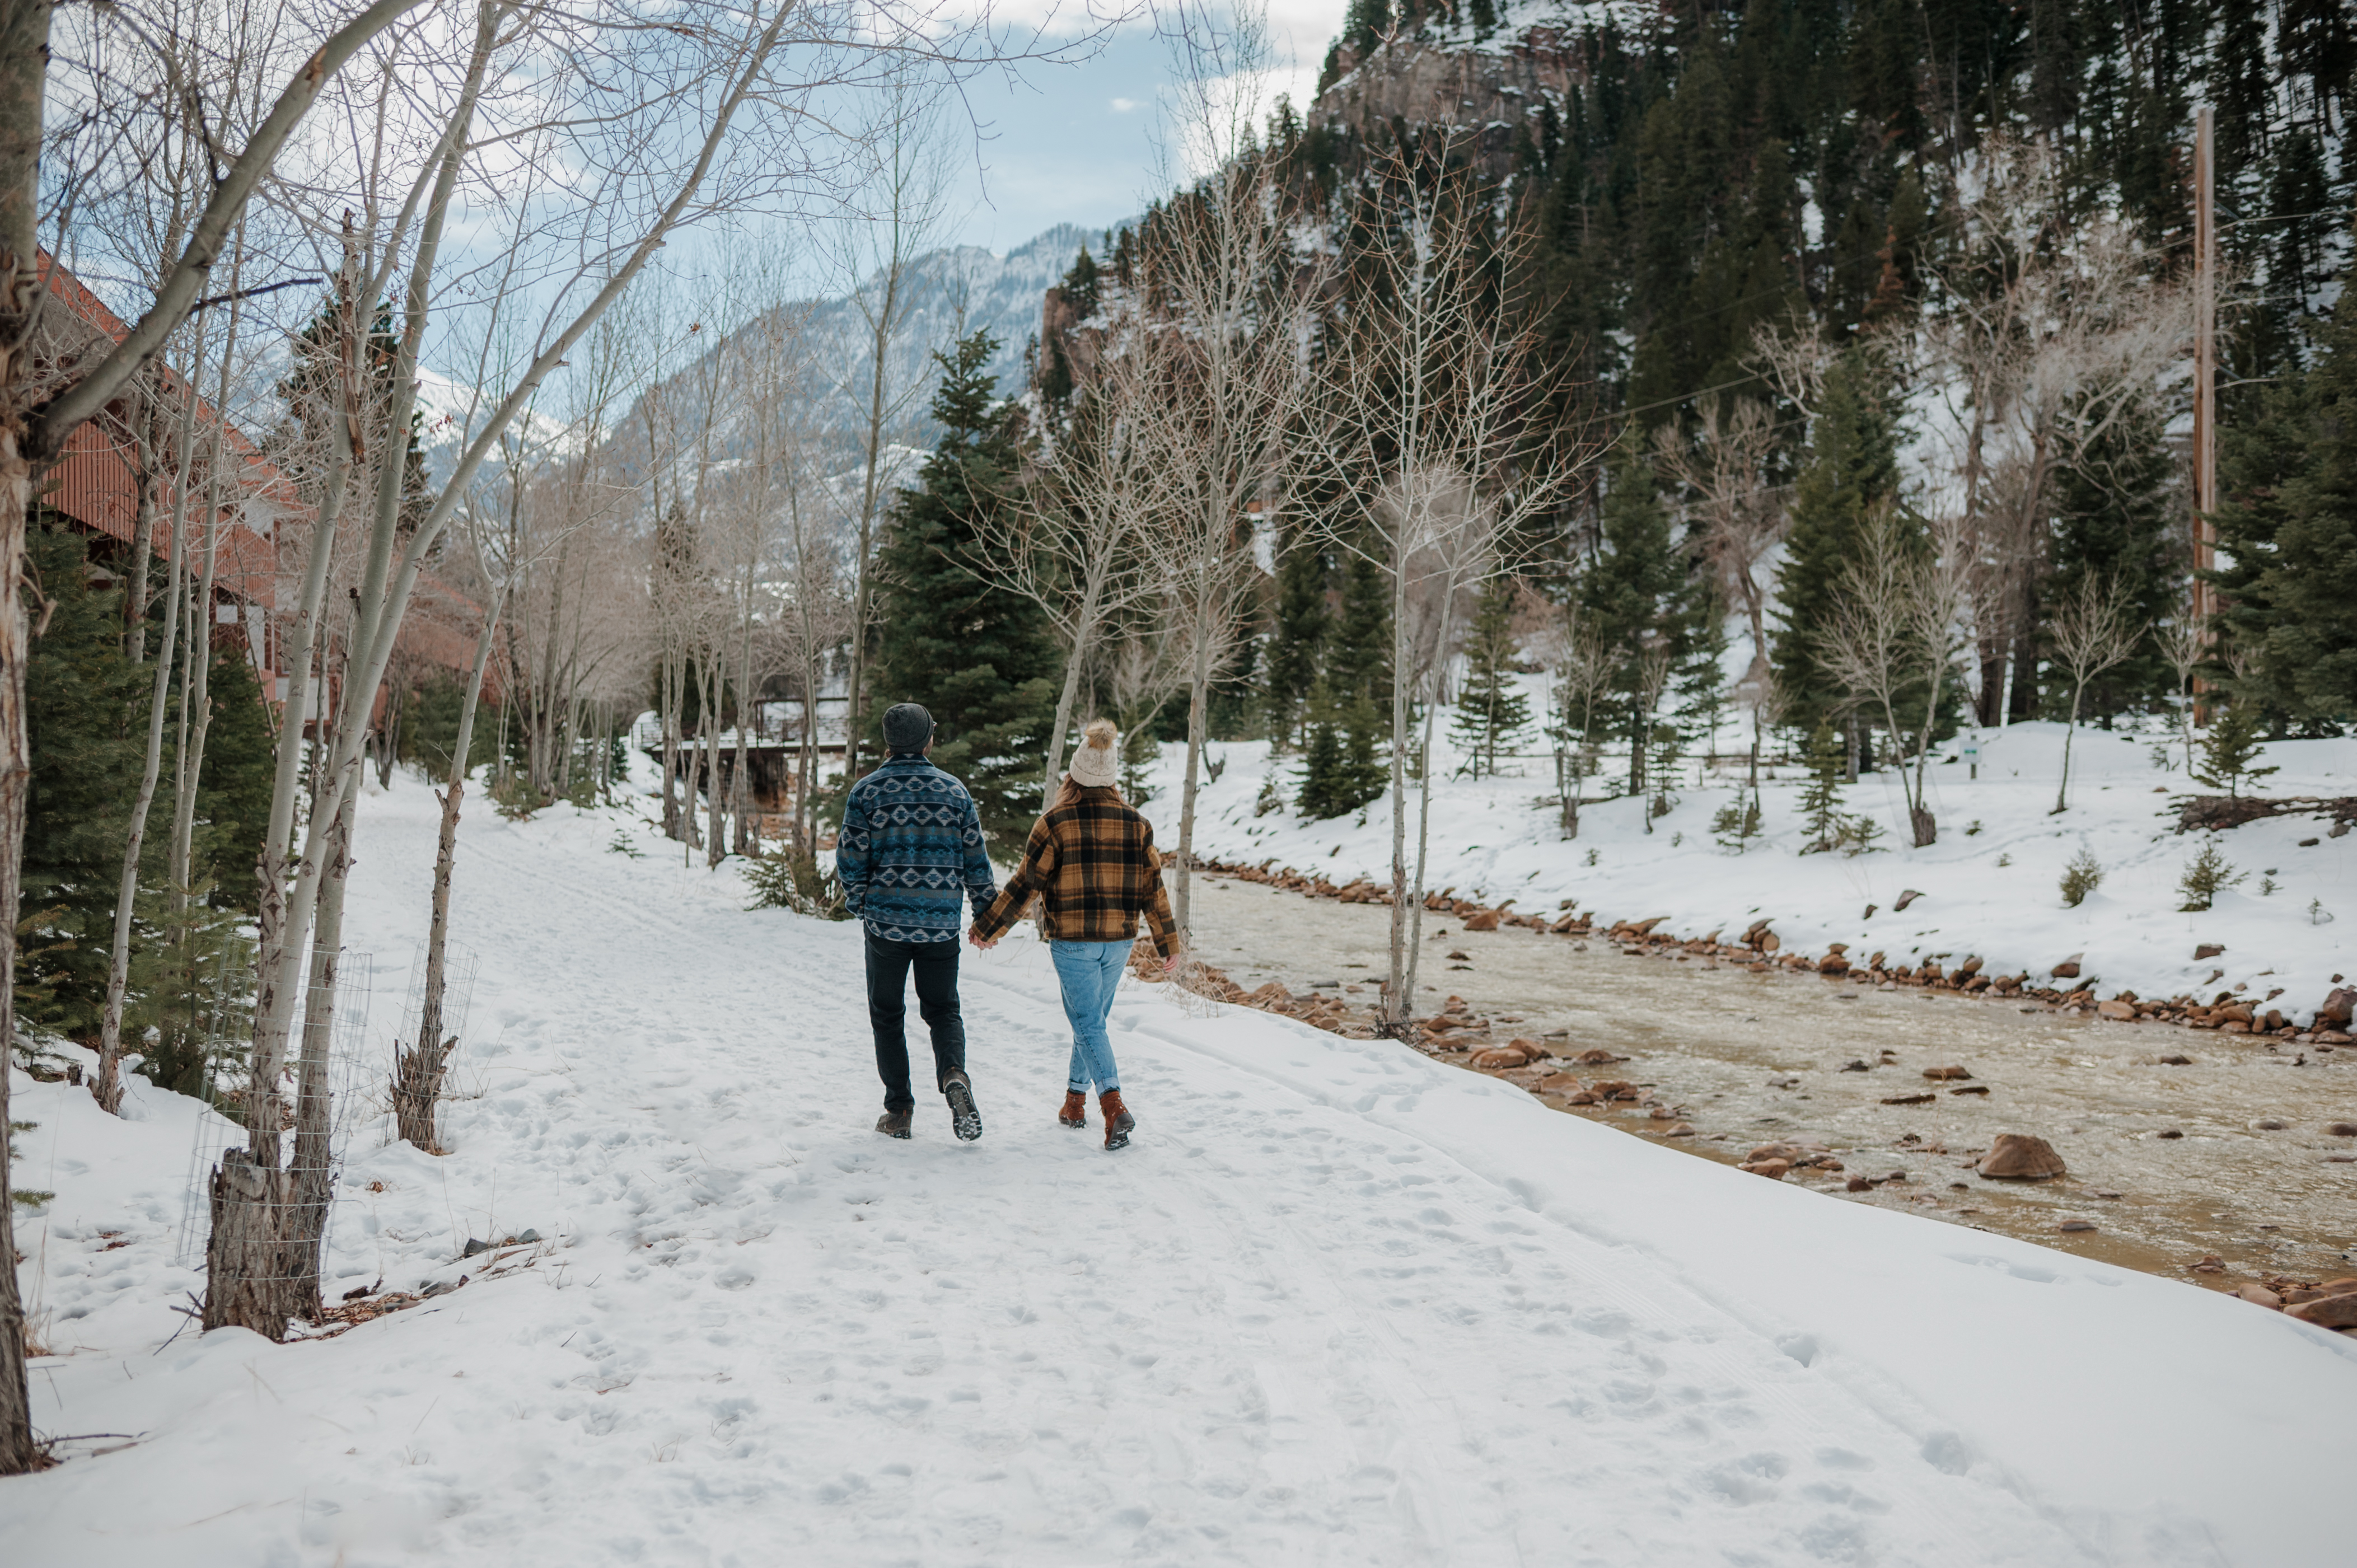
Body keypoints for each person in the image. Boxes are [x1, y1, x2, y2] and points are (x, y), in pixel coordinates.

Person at [968, 720, 1180, 1150]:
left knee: (1086, 1022)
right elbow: (1153, 889)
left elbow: (1025, 885)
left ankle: (1113, 1105)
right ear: (1112, 777)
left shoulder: (1055, 822)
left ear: (1075, 775)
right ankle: (1074, 1102)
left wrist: (988, 928)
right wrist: (1168, 944)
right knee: (1092, 1022)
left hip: (1073, 942)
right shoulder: (1138, 824)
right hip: (1119, 940)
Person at [836, 702, 997, 1141]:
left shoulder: (866, 793)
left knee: (887, 1014)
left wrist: (862, 904)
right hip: (941, 925)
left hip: (885, 925)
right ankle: (954, 1077)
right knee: (944, 1010)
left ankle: (899, 1110)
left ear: (889, 743)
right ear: (928, 740)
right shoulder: (955, 791)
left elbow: (849, 861)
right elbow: (976, 862)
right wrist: (987, 915)